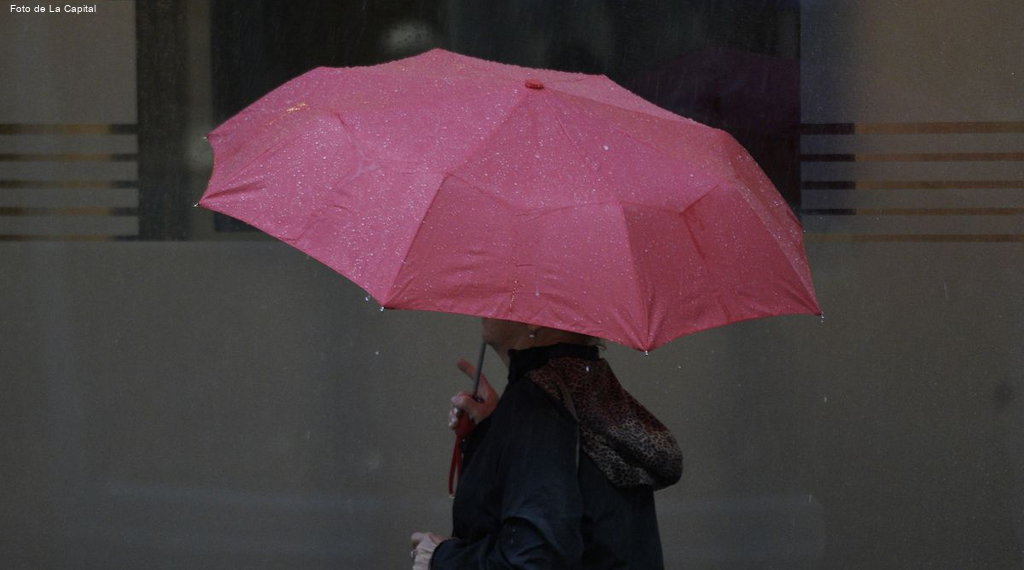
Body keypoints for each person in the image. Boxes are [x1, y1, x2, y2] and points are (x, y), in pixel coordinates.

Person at [411, 318, 683, 569]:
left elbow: (534, 558)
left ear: (533, 321)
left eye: (508, 287)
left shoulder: (540, 406)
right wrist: (496, 428)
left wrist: (442, 558)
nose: (486, 309)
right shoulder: (586, 389)